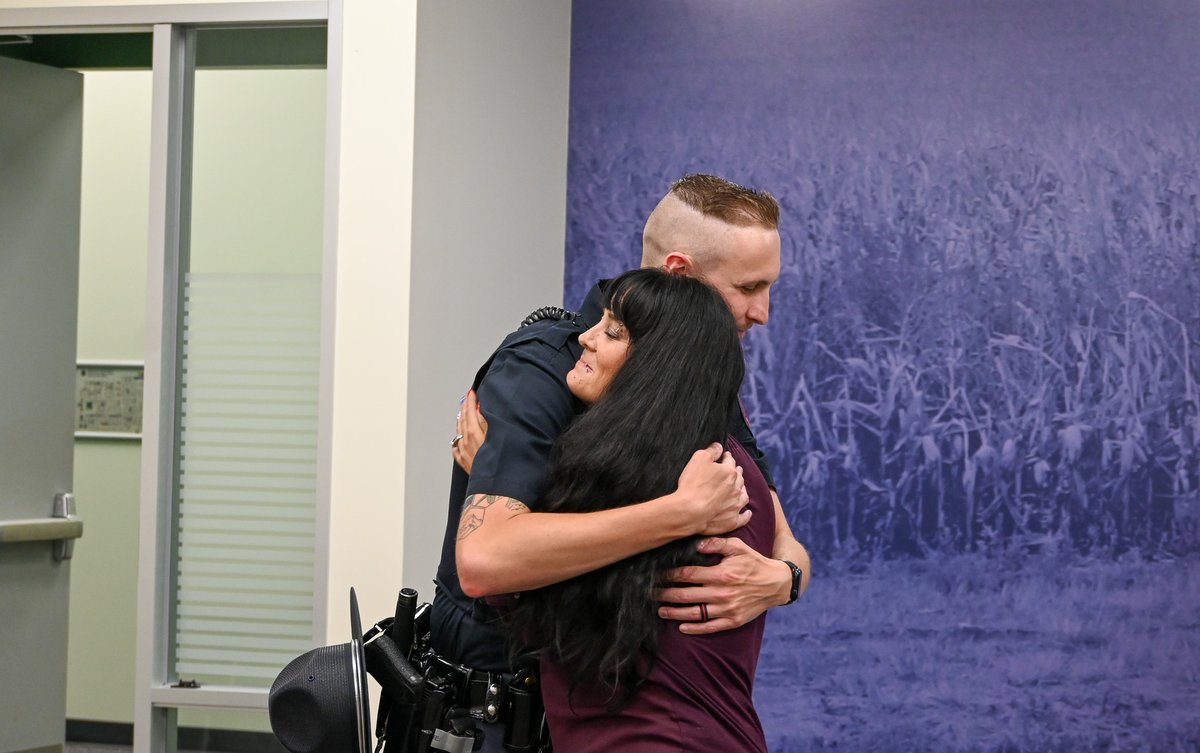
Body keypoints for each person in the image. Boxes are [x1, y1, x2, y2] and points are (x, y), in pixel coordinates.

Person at [429, 175, 810, 751]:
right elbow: (487, 560)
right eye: (748, 287)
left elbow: (776, 531)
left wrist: (784, 579)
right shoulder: (543, 371)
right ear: (680, 274)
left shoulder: (698, 387)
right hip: (505, 717)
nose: (763, 312)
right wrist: (679, 512)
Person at [506, 268, 775, 751]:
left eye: (612, 331)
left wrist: (487, 472)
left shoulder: (655, 476)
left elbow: (500, 574)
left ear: (656, 364)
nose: (584, 338)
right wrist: (789, 577)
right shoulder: (726, 462)